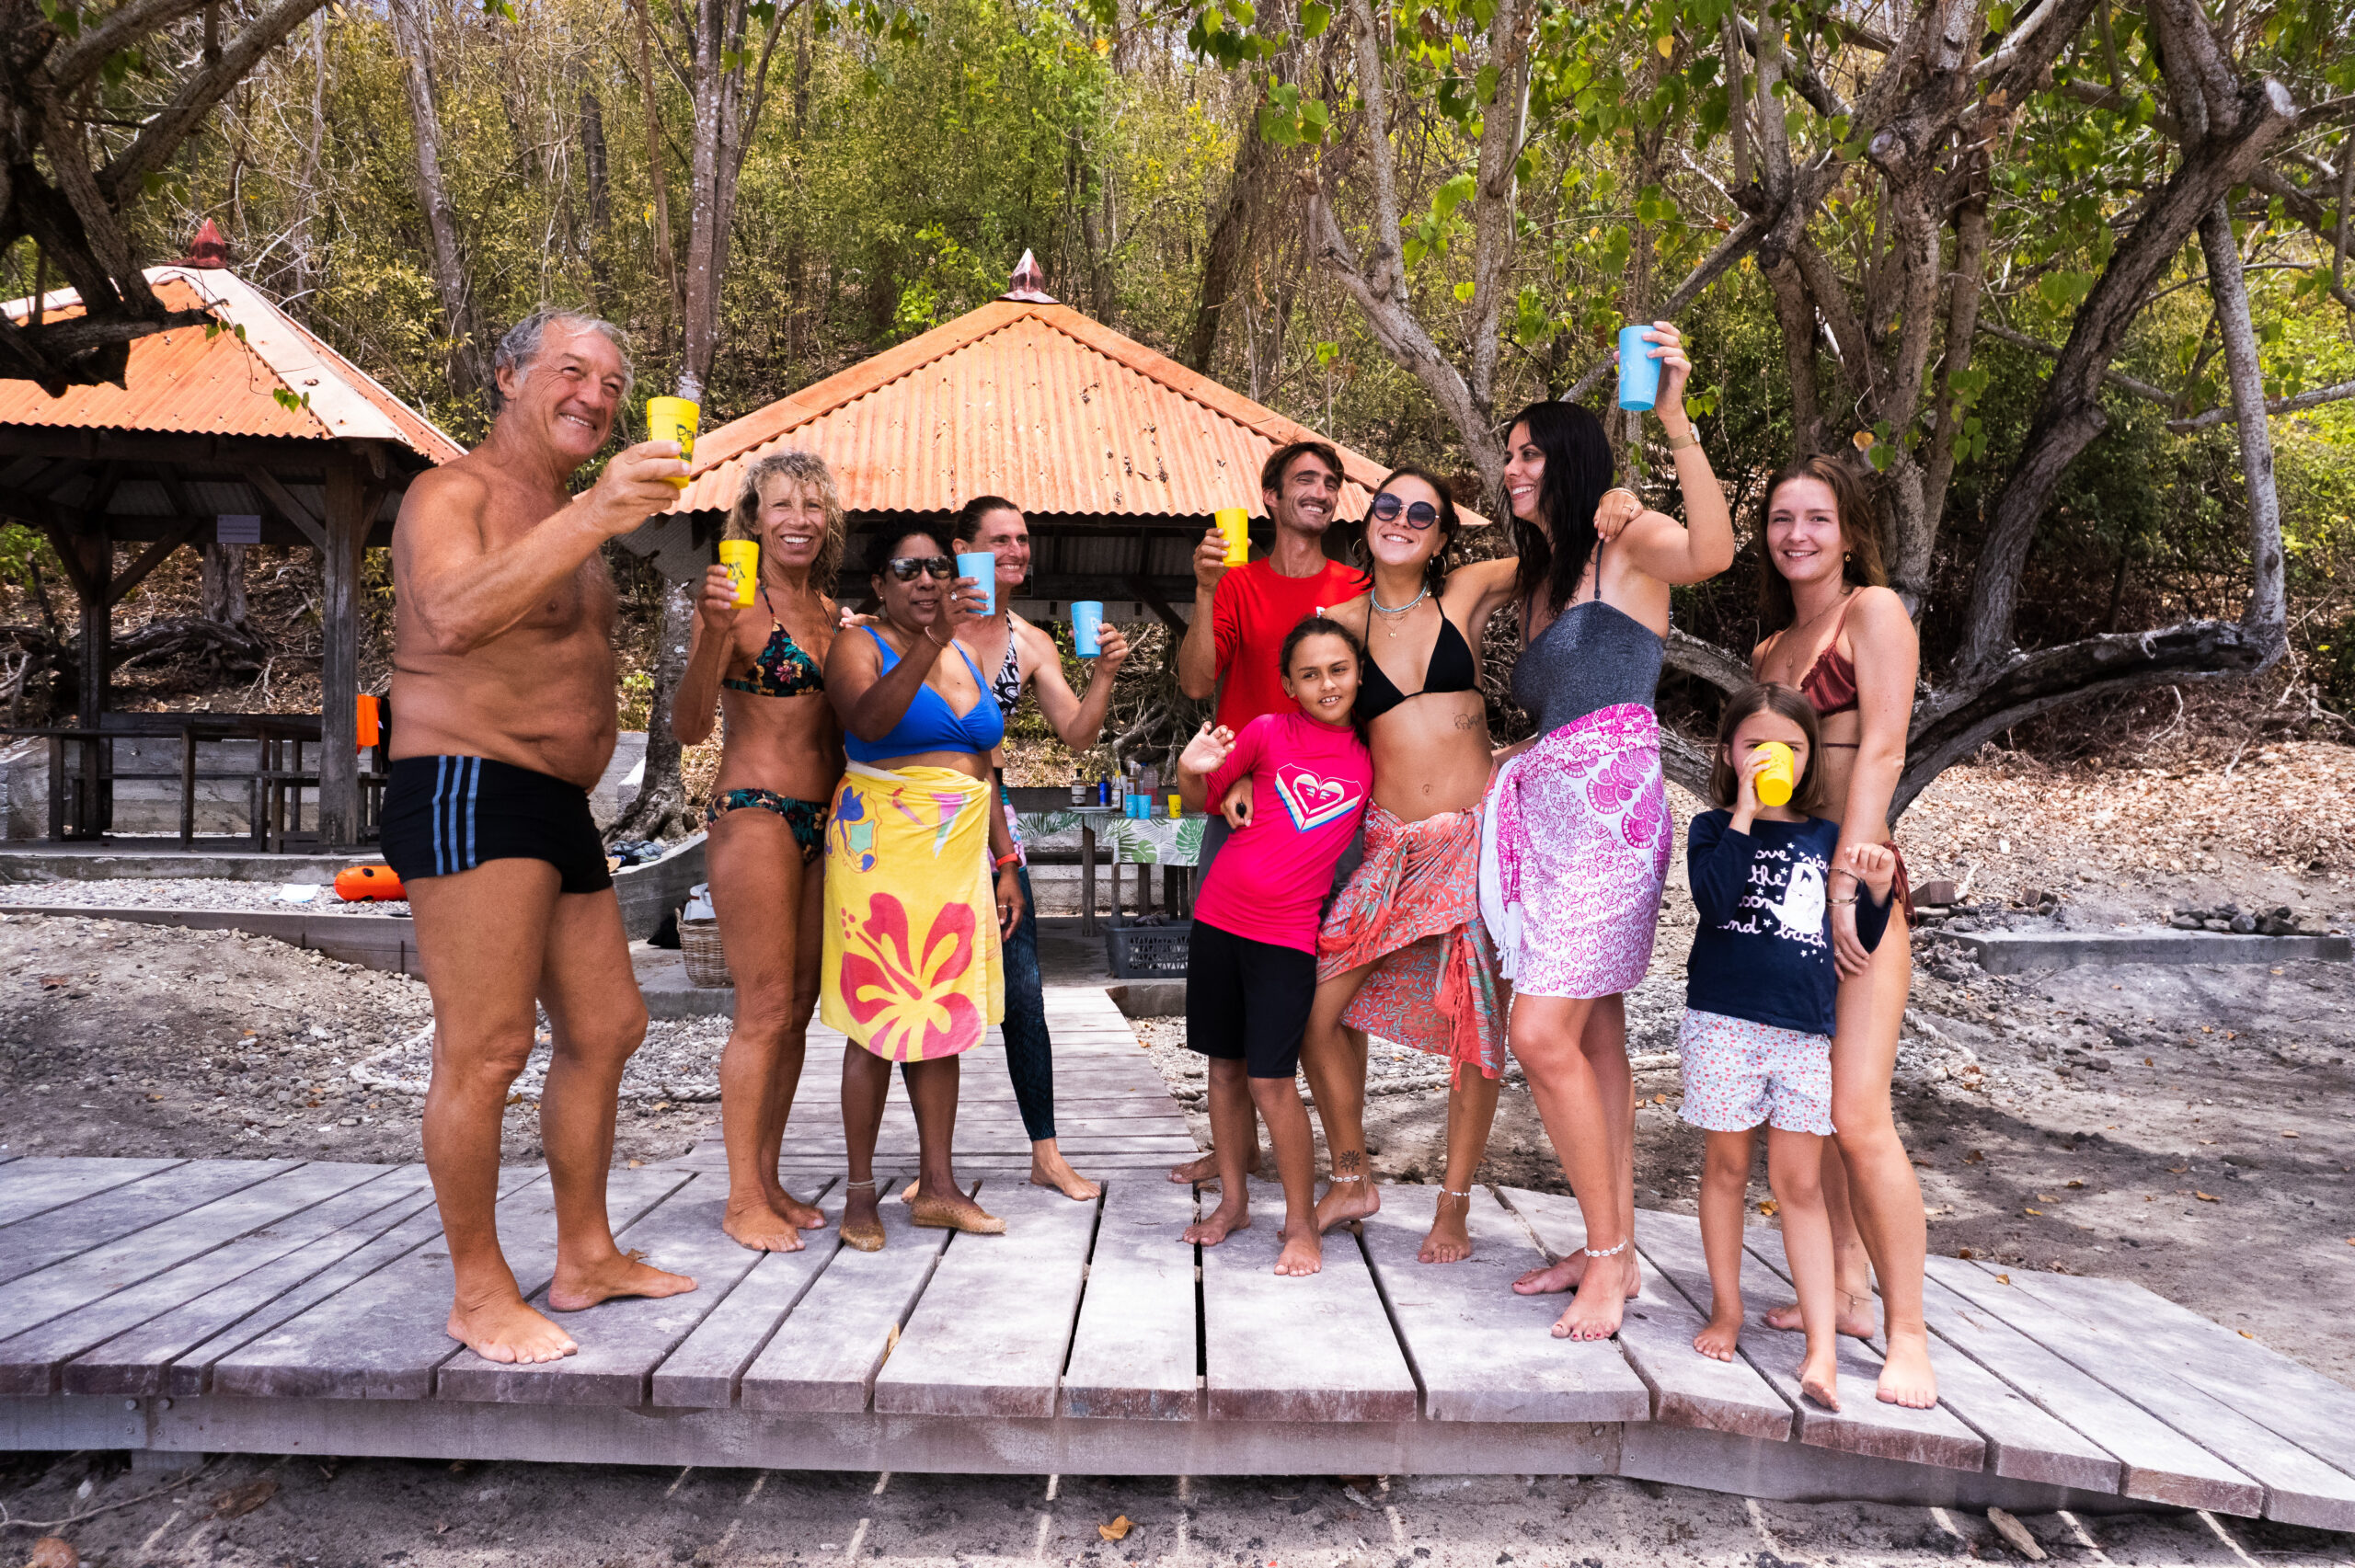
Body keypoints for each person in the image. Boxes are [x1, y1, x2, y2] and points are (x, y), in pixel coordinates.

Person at [383, 308, 695, 1364]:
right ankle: (478, 1291)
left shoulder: (578, 520)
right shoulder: (452, 492)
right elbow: (452, 614)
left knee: (608, 1027)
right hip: (468, 780)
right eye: (574, 373)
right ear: (511, 376)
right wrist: (600, 513)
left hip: (561, 804)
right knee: (486, 1047)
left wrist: (597, 520)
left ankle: (585, 1255)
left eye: (613, 384)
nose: (597, 398)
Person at [1484, 321, 1736, 1341]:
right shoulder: (1540, 579)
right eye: (1506, 454)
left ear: (1571, 460)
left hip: (1614, 818)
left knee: (1536, 1033)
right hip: (1544, 814)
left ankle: (1604, 1259)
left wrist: (1673, 422)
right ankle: (1615, 1249)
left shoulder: (1623, 543)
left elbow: (1713, 551)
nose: (1509, 468)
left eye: (1526, 452)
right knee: (1592, 1041)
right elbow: (1554, 711)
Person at [1748, 455, 1936, 1408]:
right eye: (1782, 519)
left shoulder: (1874, 615)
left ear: (1849, 531)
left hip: (1855, 880)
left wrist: (1842, 879)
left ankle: (1908, 1336)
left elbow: (1888, 748)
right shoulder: (1771, 648)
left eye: (1815, 519)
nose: (1797, 535)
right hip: (1781, 890)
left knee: (1858, 1115)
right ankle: (1851, 1293)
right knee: (1810, 1114)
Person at [1300, 465, 1522, 1263]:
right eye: (1388, 506)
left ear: (1442, 535)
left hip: (1473, 840)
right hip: (1388, 848)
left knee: (1476, 1026)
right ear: (1368, 520)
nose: (1401, 519)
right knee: (1314, 1012)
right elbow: (1308, 716)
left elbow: (1564, 556)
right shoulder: (1339, 620)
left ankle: (1453, 1205)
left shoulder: (1463, 592)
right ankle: (1352, 1171)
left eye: (1421, 513)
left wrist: (1607, 498)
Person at [1682, 683, 1895, 1412]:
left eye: (1790, 748)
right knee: (1727, 1166)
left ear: (1810, 758)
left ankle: (1822, 1350)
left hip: (1802, 1033)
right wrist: (1745, 809)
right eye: (1755, 745)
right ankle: (1726, 1308)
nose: (1772, 758)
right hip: (1722, 1023)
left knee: (1800, 1183)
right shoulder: (1712, 828)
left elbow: (1855, 949)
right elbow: (1712, 901)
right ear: (1728, 751)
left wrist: (1872, 895)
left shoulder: (1826, 840)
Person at [821, 525, 1024, 1249]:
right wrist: (931, 641)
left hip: (960, 850)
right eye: (908, 567)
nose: (927, 578)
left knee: (941, 1014)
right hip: (884, 845)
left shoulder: (964, 650)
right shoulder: (860, 642)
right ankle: (858, 1191)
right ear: (878, 582)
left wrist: (1006, 862)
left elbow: (984, 765)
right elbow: (867, 717)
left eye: (938, 565)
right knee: (877, 1022)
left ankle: (938, 1187)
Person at [1170, 439, 1365, 1186]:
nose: (1319, 490)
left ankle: (1347, 1158)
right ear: (1273, 499)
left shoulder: (1356, 584)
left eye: (1330, 480)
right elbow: (1196, 683)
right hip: (1242, 810)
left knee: (1332, 990)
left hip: (1331, 818)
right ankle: (1237, 1151)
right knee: (1231, 990)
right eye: (1304, 480)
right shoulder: (1238, 583)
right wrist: (1204, 588)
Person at [672, 451, 845, 1252]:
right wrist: (711, 634)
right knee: (764, 1008)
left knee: (800, 1011)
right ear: (754, 518)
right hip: (757, 813)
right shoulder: (737, 608)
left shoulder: (835, 614)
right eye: (782, 504)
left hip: (826, 821)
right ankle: (740, 1196)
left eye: (812, 504)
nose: (799, 518)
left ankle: (768, 1177)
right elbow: (688, 726)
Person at [948, 496, 1132, 1202]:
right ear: (961, 547)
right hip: (923, 826)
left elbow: (1077, 734)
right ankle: (937, 1166)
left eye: (1022, 540)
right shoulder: (924, 628)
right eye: (998, 540)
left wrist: (1106, 674)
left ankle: (1045, 1152)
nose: (1016, 551)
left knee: (1025, 994)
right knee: (934, 993)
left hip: (996, 828)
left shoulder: (1032, 642)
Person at [1175, 616, 1373, 1276]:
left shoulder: (1372, 754)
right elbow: (1201, 795)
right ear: (1288, 683)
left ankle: (1300, 1223)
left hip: (1287, 939)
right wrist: (1194, 771)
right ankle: (1233, 1202)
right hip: (1217, 919)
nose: (1325, 684)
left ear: (1359, 675)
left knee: (1272, 1080)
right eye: (1310, 673)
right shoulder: (1265, 732)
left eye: (1338, 670)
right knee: (1225, 1068)